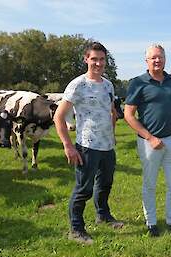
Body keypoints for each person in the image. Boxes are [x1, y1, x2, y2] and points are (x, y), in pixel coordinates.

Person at [54, 41, 123, 245]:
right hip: (86, 146)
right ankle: (76, 229)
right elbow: (59, 117)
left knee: (105, 183)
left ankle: (103, 215)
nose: (98, 63)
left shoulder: (108, 84)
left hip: (107, 145)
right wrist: (68, 145)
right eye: (94, 59)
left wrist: (112, 133)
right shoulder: (78, 85)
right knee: (84, 188)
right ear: (86, 59)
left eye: (102, 59)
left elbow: (111, 111)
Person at [124, 44, 171, 237]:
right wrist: (150, 137)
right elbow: (128, 115)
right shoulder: (138, 83)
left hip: (170, 139)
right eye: (153, 58)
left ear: (165, 59)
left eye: (160, 57)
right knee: (150, 184)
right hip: (148, 143)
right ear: (146, 61)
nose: (157, 60)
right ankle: (151, 223)